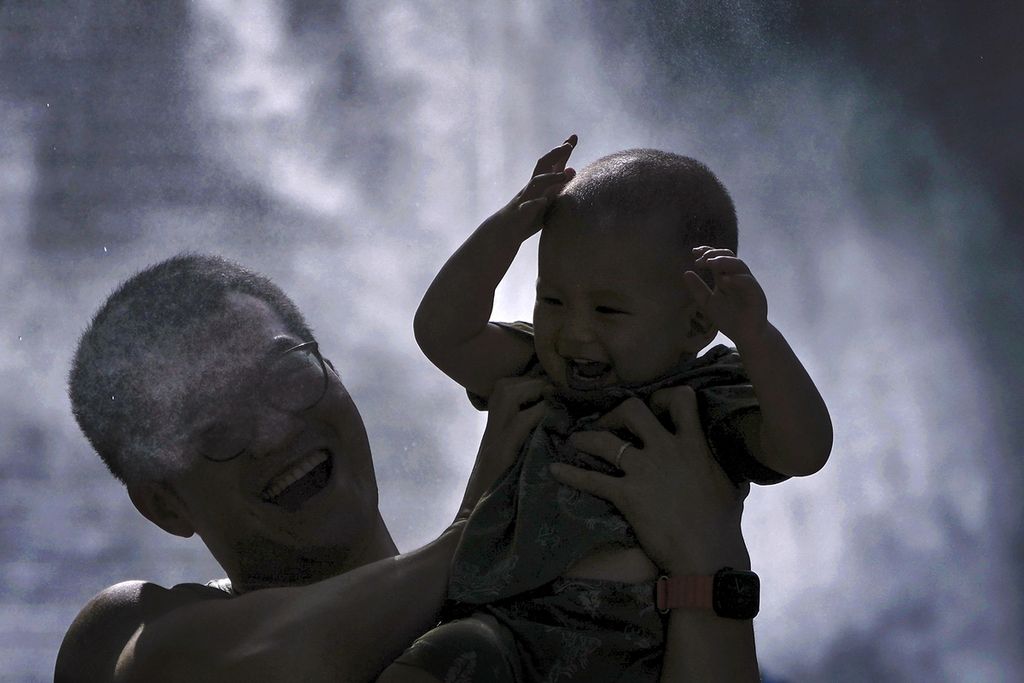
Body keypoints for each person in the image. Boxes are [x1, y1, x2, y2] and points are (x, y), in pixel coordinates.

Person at [54, 253, 760, 681]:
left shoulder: (542, 619)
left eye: (286, 374)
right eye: (218, 427)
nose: (275, 431)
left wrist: (710, 557)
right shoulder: (123, 636)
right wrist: (480, 528)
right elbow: (269, 667)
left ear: (336, 373)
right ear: (165, 505)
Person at [385, 136, 833, 680]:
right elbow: (442, 334)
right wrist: (506, 229)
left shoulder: (706, 393)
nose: (574, 334)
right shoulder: (538, 370)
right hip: (501, 628)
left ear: (694, 323)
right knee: (434, 663)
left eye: (609, 310)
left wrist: (758, 338)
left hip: (637, 650)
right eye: (551, 300)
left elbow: (804, 449)